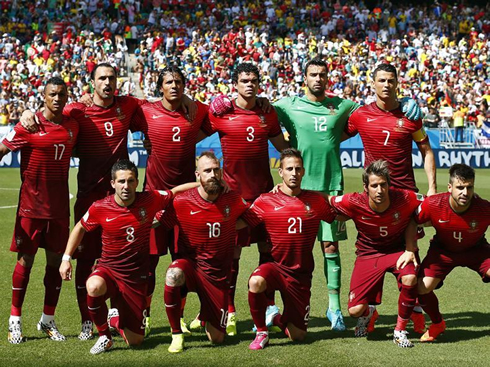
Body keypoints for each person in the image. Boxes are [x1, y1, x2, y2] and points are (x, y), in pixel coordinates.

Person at [211, 57, 421, 331]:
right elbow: (259, 109)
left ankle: (333, 308)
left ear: (328, 78)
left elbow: (379, 105)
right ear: (305, 78)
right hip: (297, 190)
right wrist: (226, 100)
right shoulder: (288, 105)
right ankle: (270, 307)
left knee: (330, 248)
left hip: (331, 188)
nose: (318, 79)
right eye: (313, 74)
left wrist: (404, 101)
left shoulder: (343, 106)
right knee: (284, 250)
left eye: (323, 74)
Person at [20, 63, 147, 340]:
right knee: (86, 260)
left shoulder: (127, 105)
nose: (107, 82)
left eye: (112, 78)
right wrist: (26, 112)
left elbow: (160, 106)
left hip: (120, 199)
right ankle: (87, 320)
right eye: (102, 78)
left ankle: (120, 316)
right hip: (89, 199)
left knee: (122, 260)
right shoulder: (77, 110)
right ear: (92, 82)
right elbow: (48, 113)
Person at [59, 160, 198, 355]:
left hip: (135, 277)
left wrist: (205, 183)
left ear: (136, 182)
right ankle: (104, 336)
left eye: (130, 181)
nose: (126, 186)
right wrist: (66, 258)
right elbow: (80, 227)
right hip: (109, 269)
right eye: (121, 181)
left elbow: (175, 192)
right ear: (113, 184)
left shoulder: (150, 199)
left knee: (136, 341)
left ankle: (114, 319)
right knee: (93, 286)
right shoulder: (100, 207)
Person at [345, 62, 437, 333]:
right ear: (372, 84)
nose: (386, 84)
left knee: (411, 252)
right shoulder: (360, 115)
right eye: (381, 80)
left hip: (405, 197)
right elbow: (332, 134)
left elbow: (427, 150)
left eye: (391, 80)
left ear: (397, 84)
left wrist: (431, 189)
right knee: (373, 247)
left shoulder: (410, 115)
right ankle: (370, 308)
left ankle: (415, 311)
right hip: (374, 198)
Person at [204, 63, 288, 335]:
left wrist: (296, 164)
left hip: (264, 196)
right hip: (233, 198)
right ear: (235, 84)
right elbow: (188, 129)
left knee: (268, 252)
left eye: (253, 80)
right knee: (232, 256)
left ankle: (268, 308)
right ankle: (228, 310)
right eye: (244, 80)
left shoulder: (267, 112)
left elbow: (282, 147)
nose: (249, 84)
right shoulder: (221, 112)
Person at [1, 77, 79, 344]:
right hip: (31, 209)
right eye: (52, 94)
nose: (57, 99)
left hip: (59, 210)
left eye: (61, 95)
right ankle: (15, 321)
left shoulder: (72, 126)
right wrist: (23, 115)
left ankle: (47, 320)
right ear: (43, 97)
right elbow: (1, 149)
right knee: (25, 262)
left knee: (55, 265)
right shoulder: (28, 125)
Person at [134, 65, 211, 336]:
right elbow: (115, 109)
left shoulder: (197, 111)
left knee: (182, 263)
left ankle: (176, 319)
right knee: (148, 266)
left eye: (179, 82)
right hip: (154, 201)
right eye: (169, 82)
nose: (174, 86)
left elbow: (220, 110)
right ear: (160, 87)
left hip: (184, 204)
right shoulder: (145, 111)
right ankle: (142, 316)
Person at [239, 148, 336, 350]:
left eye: (298, 169)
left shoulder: (315, 200)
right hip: (275, 267)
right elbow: (241, 222)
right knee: (256, 282)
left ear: (303, 172)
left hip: (300, 273)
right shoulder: (265, 200)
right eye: (289, 168)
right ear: (280, 172)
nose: (294, 173)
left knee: (297, 335)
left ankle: (275, 318)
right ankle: (261, 332)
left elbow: (336, 213)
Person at [157, 151, 248, 353]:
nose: (213, 174)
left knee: (217, 338)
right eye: (207, 171)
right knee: (173, 273)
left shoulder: (232, 199)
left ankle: (206, 316)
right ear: (197, 175)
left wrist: (229, 226)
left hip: (216, 274)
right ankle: (176, 334)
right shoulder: (182, 202)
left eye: (216, 170)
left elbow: (251, 217)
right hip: (191, 267)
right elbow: (160, 221)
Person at [328, 160, 423, 348]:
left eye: (383, 185)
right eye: (374, 186)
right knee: (355, 310)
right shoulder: (353, 201)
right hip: (368, 253)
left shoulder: (405, 198)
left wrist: (410, 248)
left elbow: (432, 204)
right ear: (366, 187)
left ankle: (399, 330)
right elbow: (324, 202)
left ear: (389, 184)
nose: (379, 190)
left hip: (397, 252)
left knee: (410, 278)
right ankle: (369, 313)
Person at [412, 164, 490, 342]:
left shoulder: (483, 207)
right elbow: (412, 222)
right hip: (443, 251)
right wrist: (410, 249)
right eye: (460, 187)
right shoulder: (433, 204)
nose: (465, 192)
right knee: (421, 288)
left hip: (476, 250)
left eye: (469, 187)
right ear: (450, 187)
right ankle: (437, 323)